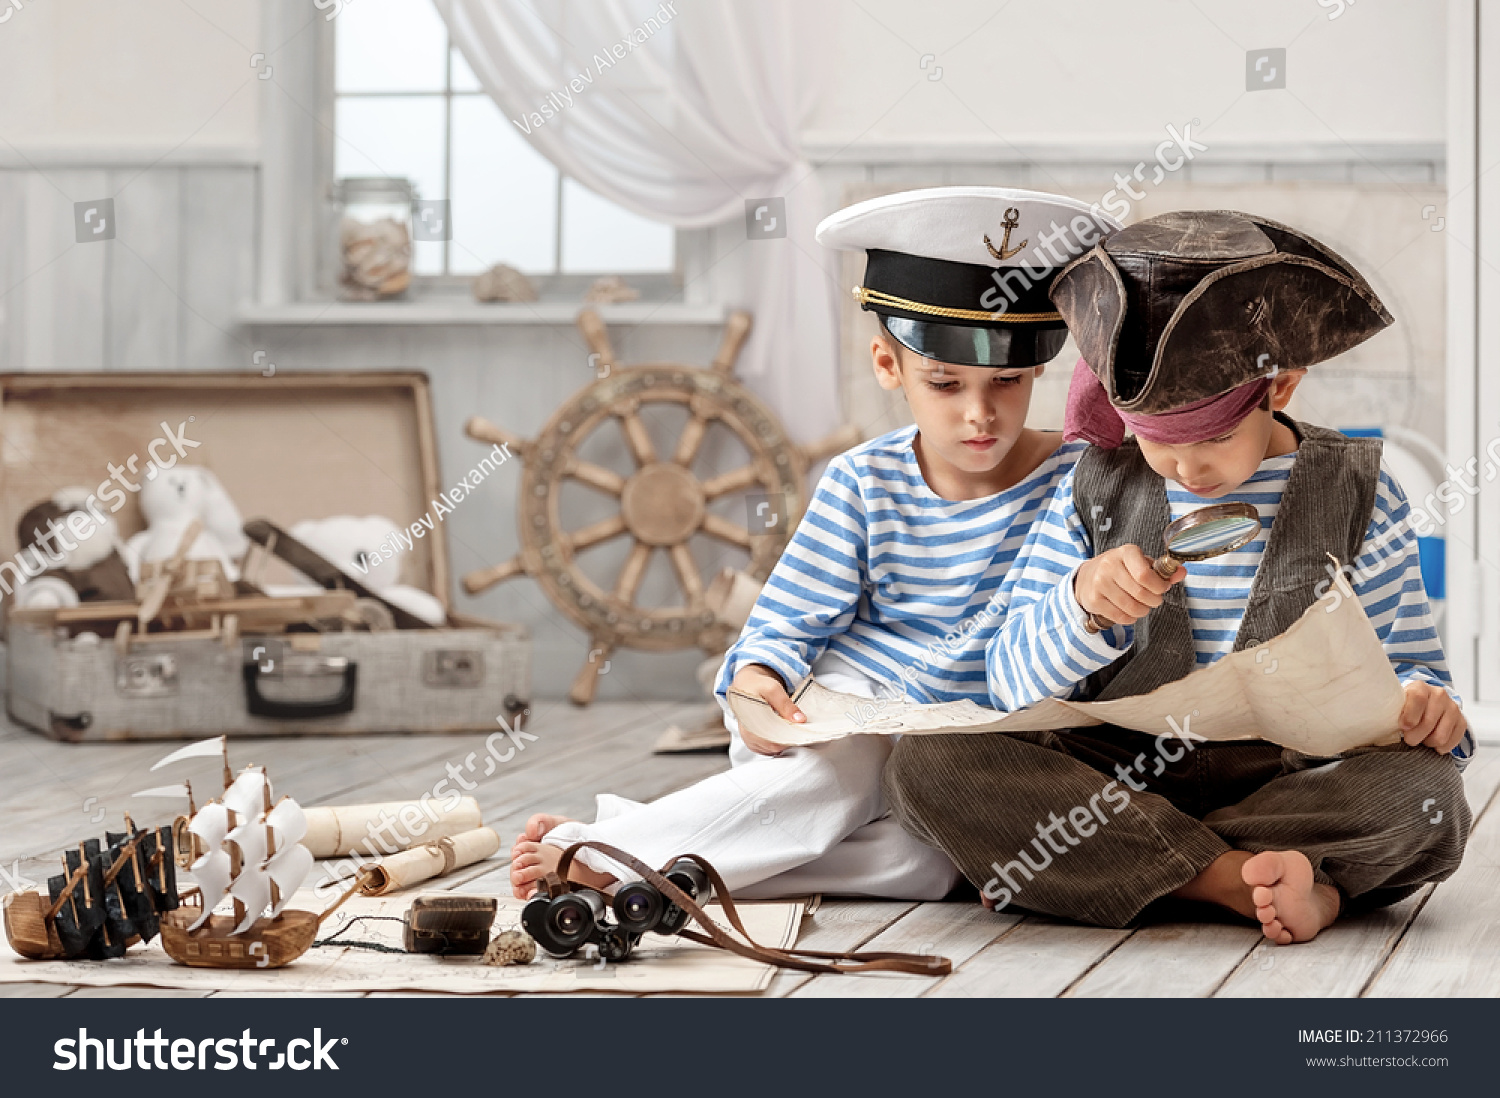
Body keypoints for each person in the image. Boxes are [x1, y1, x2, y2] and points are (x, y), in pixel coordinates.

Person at [508, 186, 1119, 900]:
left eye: (1006, 382)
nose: (979, 414)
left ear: (1037, 368)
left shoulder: (1074, 482)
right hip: (840, 715)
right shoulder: (863, 479)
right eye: (945, 383)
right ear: (889, 366)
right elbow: (786, 622)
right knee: (844, 768)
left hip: (955, 747)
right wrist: (757, 677)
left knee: (933, 864)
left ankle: (671, 857)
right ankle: (618, 856)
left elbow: (1039, 657)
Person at [883, 209, 1474, 943]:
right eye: (1158, 444)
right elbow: (1005, 681)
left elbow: (1413, 664)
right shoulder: (1092, 485)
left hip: (1285, 781)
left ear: (1279, 387)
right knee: (928, 764)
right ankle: (1244, 879)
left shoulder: (1359, 488)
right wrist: (1080, 610)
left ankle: (1143, 866)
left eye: (1216, 438)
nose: (1187, 469)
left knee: (1428, 796)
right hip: (1114, 778)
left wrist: (1431, 707)